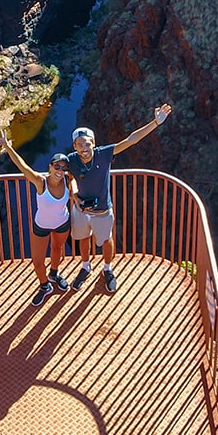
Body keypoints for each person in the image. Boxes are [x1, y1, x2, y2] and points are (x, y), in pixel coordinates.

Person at [67, 103, 172, 293]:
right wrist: (75, 197)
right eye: (80, 144)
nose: (84, 147)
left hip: (102, 210)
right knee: (83, 239)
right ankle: (85, 267)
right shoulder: (71, 160)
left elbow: (130, 140)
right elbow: (70, 180)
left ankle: (107, 269)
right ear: (74, 146)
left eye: (87, 143)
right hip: (80, 209)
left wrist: (155, 123)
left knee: (106, 240)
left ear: (94, 143)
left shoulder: (103, 154)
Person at [0, 130, 78, 307]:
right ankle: (44, 285)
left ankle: (54, 274)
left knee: (57, 249)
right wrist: (8, 146)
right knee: (37, 260)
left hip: (62, 223)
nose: (60, 170)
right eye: (57, 166)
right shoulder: (40, 181)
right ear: (50, 166)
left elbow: (79, 184)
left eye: (64, 168)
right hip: (41, 225)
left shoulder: (68, 181)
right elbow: (23, 167)